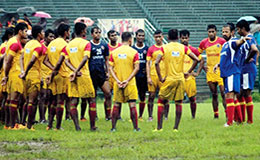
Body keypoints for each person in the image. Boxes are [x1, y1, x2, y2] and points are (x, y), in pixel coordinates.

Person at [154, 29, 199, 131]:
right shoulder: (183, 48)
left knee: (161, 101)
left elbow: (156, 62)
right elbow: (197, 59)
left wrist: (161, 77)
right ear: (178, 37)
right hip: (180, 79)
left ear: (168, 38)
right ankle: (175, 128)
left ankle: (159, 128)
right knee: (178, 103)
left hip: (169, 78)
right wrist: (189, 71)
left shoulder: (164, 48)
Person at [213, 24, 249, 127]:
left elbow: (238, 43)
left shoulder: (233, 41)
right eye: (223, 32)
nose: (224, 34)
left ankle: (230, 122)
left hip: (231, 73)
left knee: (229, 95)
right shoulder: (225, 44)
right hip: (227, 73)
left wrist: (243, 39)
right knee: (233, 98)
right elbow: (226, 58)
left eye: (226, 32)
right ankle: (240, 120)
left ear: (232, 32)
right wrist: (218, 65)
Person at [65, 22, 96, 131]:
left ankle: (77, 127)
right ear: (83, 31)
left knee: (74, 100)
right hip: (83, 75)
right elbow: (85, 58)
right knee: (91, 99)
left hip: (72, 75)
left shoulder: (69, 44)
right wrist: (77, 70)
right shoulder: (86, 43)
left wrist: (73, 71)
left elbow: (66, 61)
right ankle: (92, 126)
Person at [109, 32, 140, 132]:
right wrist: (127, 80)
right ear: (130, 40)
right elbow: (137, 68)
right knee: (132, 105)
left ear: (120, 40)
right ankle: (135, 128)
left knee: (116, 105)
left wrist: (117, 80)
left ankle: (113, 128)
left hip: (117, 83)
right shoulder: (134, 52)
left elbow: (110, 68)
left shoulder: (114, 52)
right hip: (129, 83)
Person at [19, 25, 48, 130]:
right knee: (32, 101)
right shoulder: (38, 46)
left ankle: (23, 123)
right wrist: (26, 72)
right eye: (43, 32)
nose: (44, 34)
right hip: (33, 75)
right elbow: (32, 60)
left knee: (27, 101)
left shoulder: (28, 44)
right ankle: (29, 126)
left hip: (26, 76)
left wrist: (23, 71)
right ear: (39, 34)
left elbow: (21, 58)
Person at [1, 23, 28, 130]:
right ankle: (13, 125)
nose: (26, 33)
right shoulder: (15, 43)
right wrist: (6, 75)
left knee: (9, 99)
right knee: (14, 99)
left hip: (13, 73)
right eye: (25, 31)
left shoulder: (12, 41)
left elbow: (6, 60)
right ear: (20, 32)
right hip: (14, 74)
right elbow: (8, 61)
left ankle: (8, 125)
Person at [45, 23, 70, 130]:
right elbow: (60, 62)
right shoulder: (64, 44)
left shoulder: (51, 44)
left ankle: (49, 125)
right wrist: (55, 70)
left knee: (53, 101)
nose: (69, 33)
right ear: (65, 33)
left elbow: (45, 61)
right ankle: (58, 126)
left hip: (53, 75)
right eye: (68, 31)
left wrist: (52, 70)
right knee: (60, 101)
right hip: (62, 75)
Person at [198, 24, 226, 118]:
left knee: (223, 93)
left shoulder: (222, 41)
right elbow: (197, 55)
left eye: (212, 31)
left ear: (216, 32)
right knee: (214, 94)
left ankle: (227, 113)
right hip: (210, 71)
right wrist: (202, 67)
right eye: (209, 32)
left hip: (220, 70)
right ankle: (216, 114)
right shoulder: (203, 43)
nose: (211, 33)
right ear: (207, 32)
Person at [236, 20, 259, 124]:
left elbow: (254, 50)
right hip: (243, 69)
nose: (237, 31)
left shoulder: (250, 38)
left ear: (243, 29)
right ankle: (241, 119)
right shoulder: (243, 39)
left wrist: (248, 58)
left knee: (246, 93)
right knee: (240, 94)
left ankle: (249, 120)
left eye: (238, 29)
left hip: (248, 69)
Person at [88, 26, 111, 121]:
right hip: (91, 73)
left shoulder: (104, 45)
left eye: (99, 32)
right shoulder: (88, 45)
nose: (98, 34)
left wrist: (108, 71)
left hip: (101, 73)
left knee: (108, 93)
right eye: (96, 32)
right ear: (92, 34)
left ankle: (108, 115)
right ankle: (94, 115)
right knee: (93, 96)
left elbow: (106, 60)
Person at [180, 29, 204, 119]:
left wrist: (197, 73)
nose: (184, 40)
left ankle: (193, 116)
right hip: (179, 76)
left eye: (186, 38)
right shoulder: (178, 49)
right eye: (183, 38)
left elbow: (201, 60)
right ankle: (179, 116)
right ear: (179, 38)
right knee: (179, 99)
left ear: (189, 38)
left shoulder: (193, 49)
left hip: (189, 77)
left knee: (192, 98)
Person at [146, 30, 168, 121]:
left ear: (162, 37)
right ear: (154, 38)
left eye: (159, 37)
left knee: (165, 96)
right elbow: (148, 63)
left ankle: (165, 116)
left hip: (164, 76)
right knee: (151, 96)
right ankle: (150, 116)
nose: (158, 39)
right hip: (153, 75)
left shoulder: (166, 48)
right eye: (156, 37)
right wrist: (148, 77)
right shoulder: (151, 49)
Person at [38, 29, 55, 123]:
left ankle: (49, 117)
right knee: (43, 96)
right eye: (50, 36)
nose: (52, 38)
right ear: (45, 37)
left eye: (53, 37)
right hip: (42, 73)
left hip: (51, 74)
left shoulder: (53, 47)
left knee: (50, 96)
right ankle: (42, 118)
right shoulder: (41, 47)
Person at [132, 29, 149, 120]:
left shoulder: (147, 48)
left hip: (143, 76)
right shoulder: (132, 49)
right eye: (139, 35)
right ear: (136, 36)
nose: (141, 37)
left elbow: (148, 62)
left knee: (142, 95)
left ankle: (140, 116)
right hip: (134, 76)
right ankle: (133, 116)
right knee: (133, 96)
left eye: (142, 36)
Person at [0, 27, 15, 126]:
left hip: (5, 73)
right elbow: (3, 60)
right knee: (5, 98)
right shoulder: (5, 46)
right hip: (4, 73)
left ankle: (5, 120)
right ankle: (4, 119)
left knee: (6, 98)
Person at [107, 30, 123, 120]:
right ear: (109, 37)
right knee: (108, 95)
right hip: (109, 74)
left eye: (115, 35)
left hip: (118, 74)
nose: (114, 37)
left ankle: (118, 115)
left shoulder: (120, 47)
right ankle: (108, 115)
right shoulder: (106, 47)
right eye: (112, 35)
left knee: (118, 95)